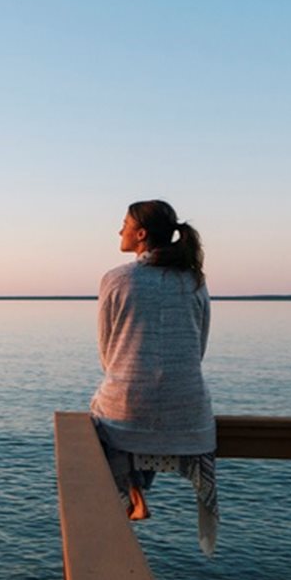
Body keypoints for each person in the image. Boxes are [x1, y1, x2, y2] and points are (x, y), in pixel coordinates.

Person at [89, 199, 218, 555]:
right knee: (138, 413)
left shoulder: (116, 279)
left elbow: (107, 351)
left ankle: (134, 493)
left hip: (128, 406)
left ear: (141, 234)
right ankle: (137, 491)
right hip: (190, 411)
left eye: (124, 224)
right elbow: (199, 346)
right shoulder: (194, 280)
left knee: (104, 417)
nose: (119, 230)